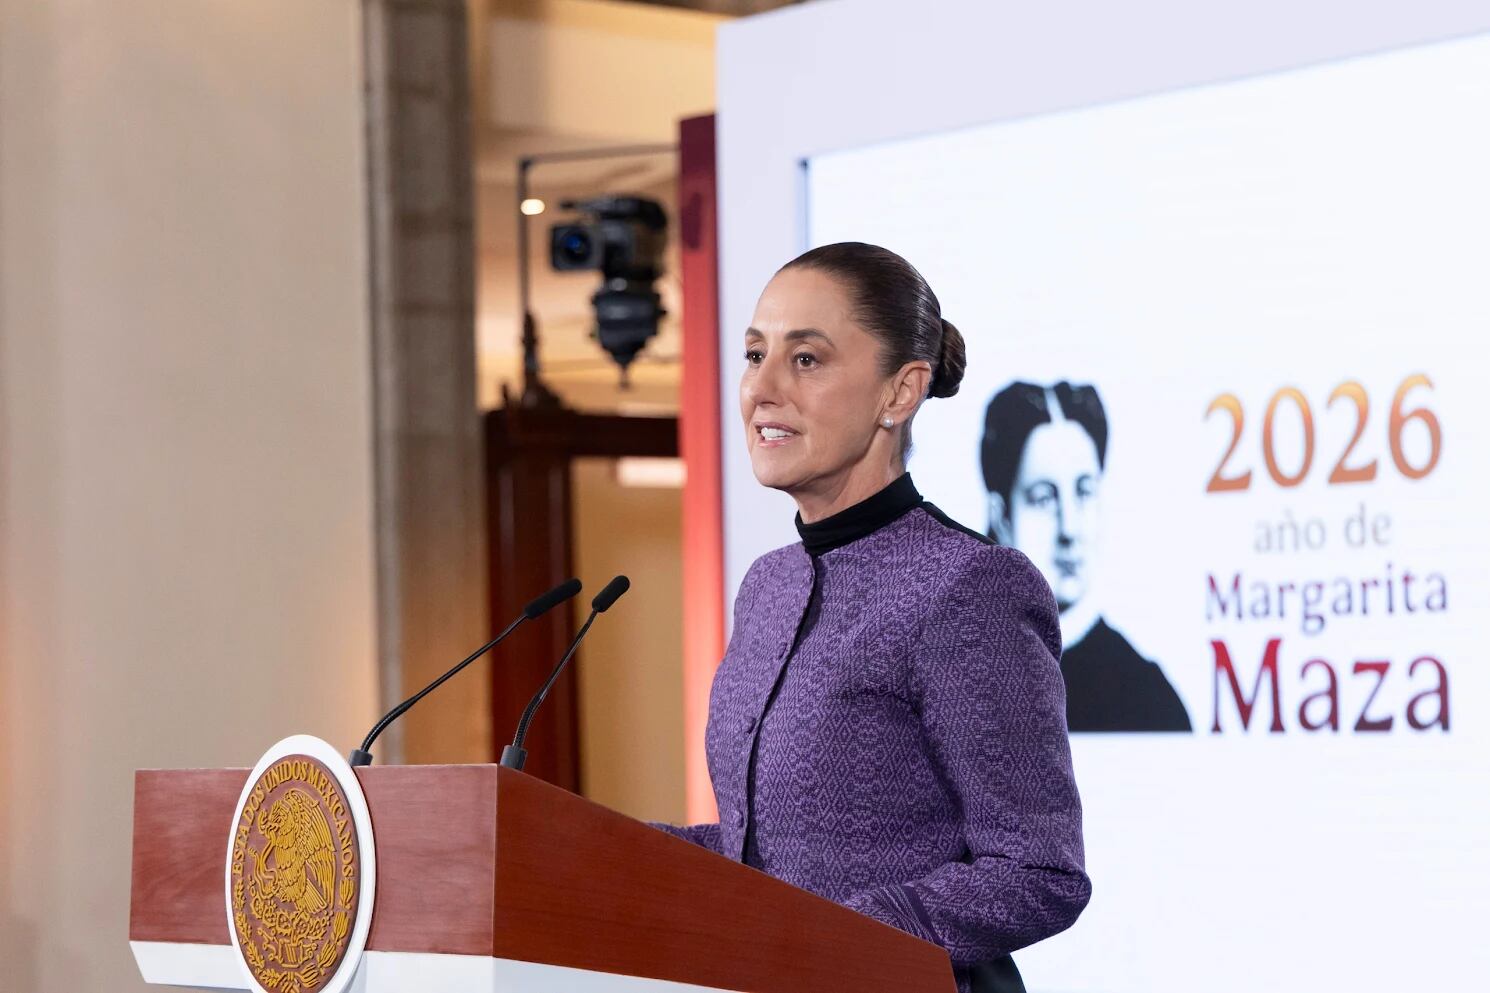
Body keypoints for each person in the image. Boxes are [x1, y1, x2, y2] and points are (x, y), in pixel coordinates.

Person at [655, 243, 1090, 993]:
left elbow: (1038, 869)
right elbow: (769, 853)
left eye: (807, 359)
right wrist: (579, 843)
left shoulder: (969, 585)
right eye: (755, 354)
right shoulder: (769, 585)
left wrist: (836, 933)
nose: (761, 388)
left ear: (901, 393)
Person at [980, 382, 1191, 732]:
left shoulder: (1147, 698)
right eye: (1044, 498)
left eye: (1084, 492)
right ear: (1002, 517)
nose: (1069, 528)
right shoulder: (958, 677)